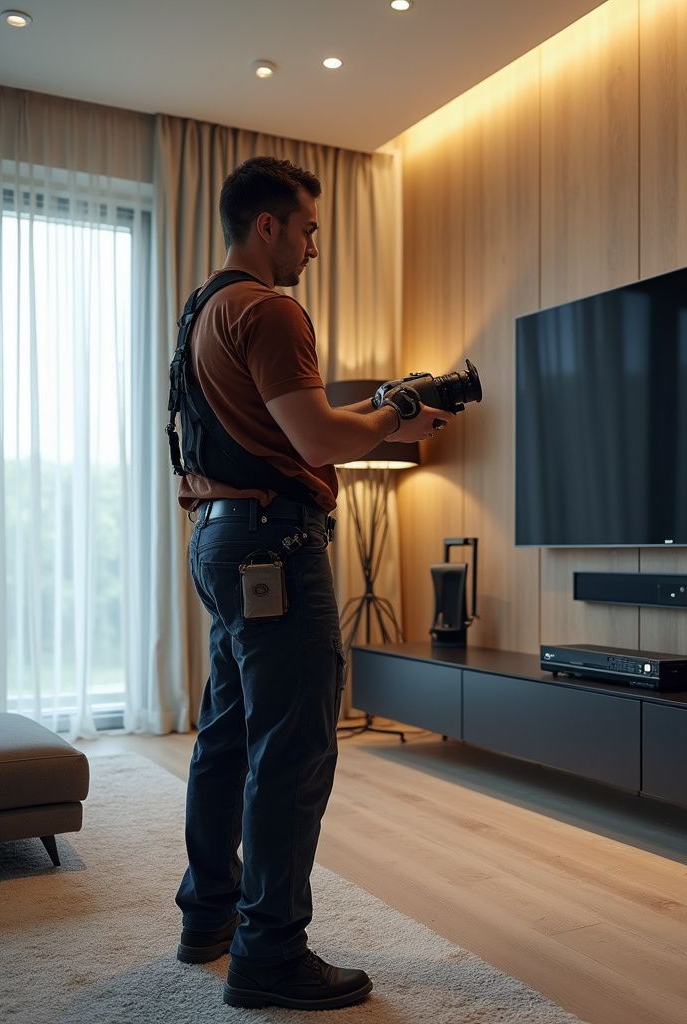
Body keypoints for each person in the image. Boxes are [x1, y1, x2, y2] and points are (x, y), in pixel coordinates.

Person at [172, 156, 451, 1011]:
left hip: (220, 540)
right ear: (269, 227)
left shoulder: (202, 309)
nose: (314, 247)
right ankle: (271, 954)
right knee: (292, 752)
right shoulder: (269, 308)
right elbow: (319, 440)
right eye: (309, 229)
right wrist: (399, 411)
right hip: (275, 545)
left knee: (226, 737)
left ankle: (209, 915)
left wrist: (379, 409)